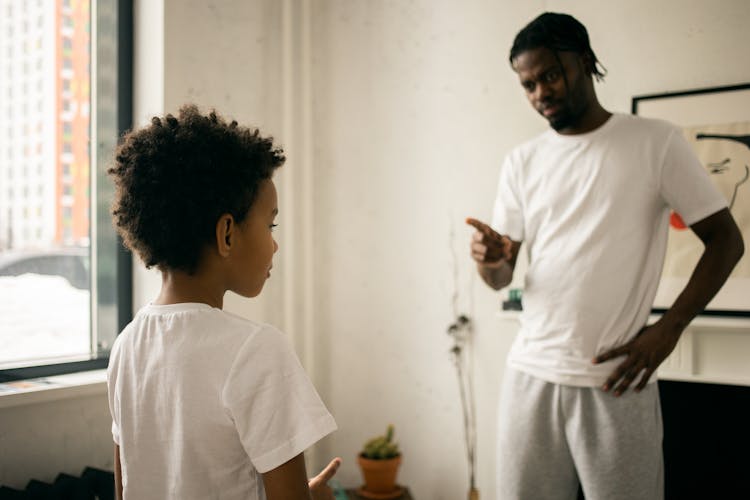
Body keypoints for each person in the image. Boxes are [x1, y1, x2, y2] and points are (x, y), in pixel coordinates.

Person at [467, 12, 744, 500]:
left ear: (586, 61)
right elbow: (501, 275)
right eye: (528, 84)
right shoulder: (523, 161)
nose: (540, 94)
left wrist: (667, 330)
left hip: (616, 379)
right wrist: (490, 260)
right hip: (530, 373)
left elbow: (726, 241)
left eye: (550, 75)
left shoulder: (656, 142)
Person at [107, 105, 341, 500]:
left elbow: (125, 489)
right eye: (270, 225)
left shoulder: (126, 346)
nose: (275, 243)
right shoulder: (257, 350)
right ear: (227, 234)